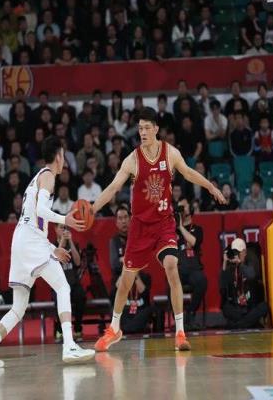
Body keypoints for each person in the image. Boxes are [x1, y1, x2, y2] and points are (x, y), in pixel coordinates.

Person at [92, 107, 225, 352]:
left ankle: (180, 333)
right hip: (140, 227)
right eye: (139, 128)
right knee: (125, 281)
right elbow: (112, 188)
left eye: (146, 128)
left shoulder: (170, 153)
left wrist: (210, 186)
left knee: (172, 267)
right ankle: (114, 328)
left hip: (164, 223)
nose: (142, 132)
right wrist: (92, 208)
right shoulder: (132, 159)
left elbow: (188, 172)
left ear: (156, 129)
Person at [0, 136, 95, 368]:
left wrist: (51, 248)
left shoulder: (38, 177)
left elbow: (34, 221)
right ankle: (69, 345)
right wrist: (65, 219)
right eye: (63, 155)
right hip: (30, 241)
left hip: (23, 241)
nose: (64, 160)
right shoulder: (48, 176)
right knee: (63, 287)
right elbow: (40, 210)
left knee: (18, 308)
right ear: (58, 156)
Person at [220, 238, 268, 329]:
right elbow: (222, 287)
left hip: (249, 307)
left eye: (238, 252)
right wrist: (225, 263)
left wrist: (240, 264)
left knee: (264, 307)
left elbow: (251, 275)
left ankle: (237, 325)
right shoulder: (230, 268)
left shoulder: (251, 262)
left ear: (245, 252)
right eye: (234, 252)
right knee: (226, 308)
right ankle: (249, 323)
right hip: (237, 308)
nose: (236, 255)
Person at [175, 198, 207, 330]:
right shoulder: (172, 231)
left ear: (191, 209)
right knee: (170, 281)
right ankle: (178, 319)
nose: (182, 209)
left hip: (194, 269)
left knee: (202, 281)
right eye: (180, 207)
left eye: (184, 206)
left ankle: (191, 312)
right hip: (179, 269)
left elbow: (194, 242)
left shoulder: (198, 229)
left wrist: (181, 227)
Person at [53, 223, 86, 340]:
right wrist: (62, 241)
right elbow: (55, 262)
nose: (64, 230)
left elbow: (77, 262)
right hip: (58, 284)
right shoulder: (52, 245)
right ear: (55, 229)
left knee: (81, 296)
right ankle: (59, 329)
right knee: (59, 301)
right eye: (61, 227)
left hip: (73, 283)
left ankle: (77, 328)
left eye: (66, 228)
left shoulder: (74, 245)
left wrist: (70, 242)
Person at [109, 206, 130, 295]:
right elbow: (114, 264)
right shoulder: (114, 241)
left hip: (136, 274)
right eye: (120, 218)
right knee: (113, 290)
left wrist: (122, 259)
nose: (124, 221)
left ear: (130, 219)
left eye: (125, 217)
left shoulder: (135, 239)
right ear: (116, 223)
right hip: (120, 275)